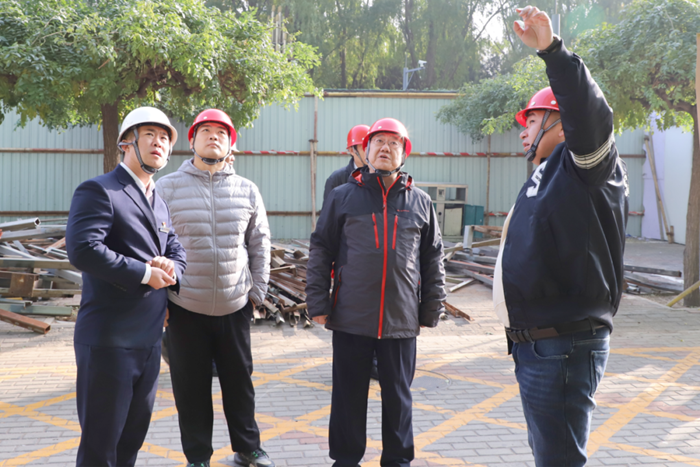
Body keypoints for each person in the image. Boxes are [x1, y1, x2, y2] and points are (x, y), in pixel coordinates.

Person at [492, 6, 628, 467]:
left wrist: (552, 51)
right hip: (539, 344)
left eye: (532, 120)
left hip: (562, 344)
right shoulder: (548, 174)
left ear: (559, 121)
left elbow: (589, 115)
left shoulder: (585, 164)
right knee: (550, 455)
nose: (523, 131)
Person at [306, 117, 446, 467]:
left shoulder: (420, 202)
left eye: (393, 143)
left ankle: (397, 461)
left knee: (398, 398)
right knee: (348, 397)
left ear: (404, 153)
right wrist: (318, 302)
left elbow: (433, 256)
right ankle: (345, 459)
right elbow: (321, 248)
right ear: (365, 151)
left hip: (401, 319)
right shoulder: (342, 196)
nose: (385, 148)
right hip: (351, 316)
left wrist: (431, 307)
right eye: (378, 142)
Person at [66, 106, 187, 467]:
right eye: (149, 134)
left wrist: (171, 267)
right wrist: (143, 273)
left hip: (148, 343)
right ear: (125, 143)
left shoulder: (159, 202)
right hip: (109, 341)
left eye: (164, 137)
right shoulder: (100, 190)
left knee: (129, 444)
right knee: (101, 448)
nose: (158, 143)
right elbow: (83, 249)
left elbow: (176, 250)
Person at [156, 109, 274, 467]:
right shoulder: (167, 188)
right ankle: (198, 457)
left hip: (234, 305)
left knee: (239, 384)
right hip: (184, 306)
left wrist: (256, 294)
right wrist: (159, 301)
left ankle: (248, 448)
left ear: (230, 143)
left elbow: (260, 243)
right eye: (205, 130)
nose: (213, 136)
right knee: (190, 388)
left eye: (221, 132)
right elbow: (153, 246)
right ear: (192, 140)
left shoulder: (246, 190)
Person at [322, 124, 369, 207]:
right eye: (365, 148)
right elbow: (328, 212)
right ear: (352, 151)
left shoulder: (381, 177)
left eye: (371, 147)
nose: (370, 152)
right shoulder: (337, 179)